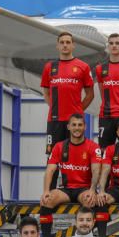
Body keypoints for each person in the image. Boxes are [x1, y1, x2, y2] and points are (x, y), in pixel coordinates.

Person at [40, 113, 99, 237]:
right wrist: (46, 191)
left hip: (84, 189)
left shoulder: (92, 147)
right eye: (74, 125)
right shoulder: (59, 146)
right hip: (66, 189)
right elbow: (50, 170)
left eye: (80, 125)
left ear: (85, 127)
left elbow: (96, 170)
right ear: (68, 127)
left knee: (90, 200)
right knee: (46, 201)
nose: (77, 128)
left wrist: (92, 190)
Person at [41, 30, 94, 167]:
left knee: (75, 157)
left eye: (68, 42)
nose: (65, 45)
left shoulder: (83, 67)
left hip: (74, 122)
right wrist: (53, 107)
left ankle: (73, 188)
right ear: (57, 46)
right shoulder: (49, 67)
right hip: (55, 121)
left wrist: (77, 112)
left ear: (73, 45)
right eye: (62, 43)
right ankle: (50, 188)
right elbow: (46, 92)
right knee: (52, 158)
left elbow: (90, 94)